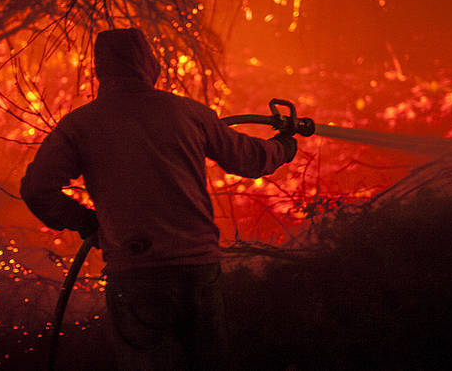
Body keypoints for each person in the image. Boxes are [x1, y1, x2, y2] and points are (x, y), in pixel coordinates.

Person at [20, 28, 296, 370]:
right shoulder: (187, 113)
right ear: (148, 64)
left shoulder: (80, 126)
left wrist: (86, 222)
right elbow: (249, 157)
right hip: (198, 270)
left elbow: (36, 190)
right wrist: (283, 147)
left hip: (136, 274)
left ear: (100, 70)